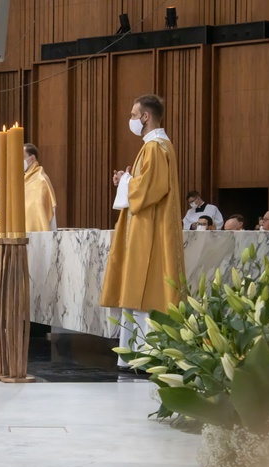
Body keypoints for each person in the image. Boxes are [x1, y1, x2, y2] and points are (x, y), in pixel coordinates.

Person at [101, 94, 185, 367]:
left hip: (150, 231)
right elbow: (145, 183)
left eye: (134, 115)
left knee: (145, 292)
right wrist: (127, 180)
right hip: (147, 227)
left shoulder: (155, 147)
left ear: (146, 117)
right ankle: (134, 357)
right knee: (140, 294)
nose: (132, 120)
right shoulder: (157, 146)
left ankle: (143, 358)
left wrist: (127, 180)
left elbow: (149, 189)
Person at [23, 143, 57, 231]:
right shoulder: (22, 179)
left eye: (22, 157)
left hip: (36, 234)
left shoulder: (41, 180)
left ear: (32, 158)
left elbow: (39, 208)